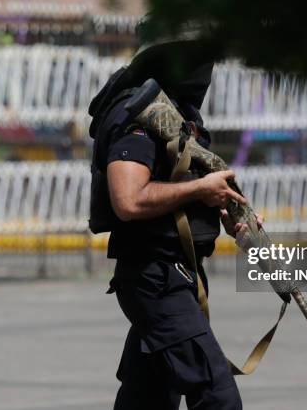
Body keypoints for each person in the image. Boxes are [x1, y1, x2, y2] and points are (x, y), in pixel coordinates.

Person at [88, 40, 260, 410]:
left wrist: (228, 212)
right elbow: (128, 200)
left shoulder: (180, 115)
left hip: (176, 274)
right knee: (218, 397)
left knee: (147, 399)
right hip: (156, 278)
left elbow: (181, 189)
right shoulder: (137, 114)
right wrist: (201, 189)